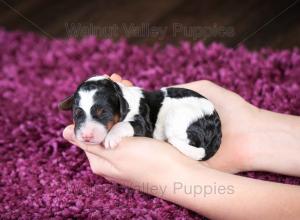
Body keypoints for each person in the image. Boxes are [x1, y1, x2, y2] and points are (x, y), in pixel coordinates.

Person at [63, 74, 300, 219]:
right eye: (79, 116)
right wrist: (253, 126)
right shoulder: (125, 101)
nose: (85, 130)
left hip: (189, 113)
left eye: (101, 113)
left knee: (172, 121)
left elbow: (138, 126)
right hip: (199, 119)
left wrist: (177, 178)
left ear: (121, 105)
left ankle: (193, 149)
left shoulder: (134, 108)